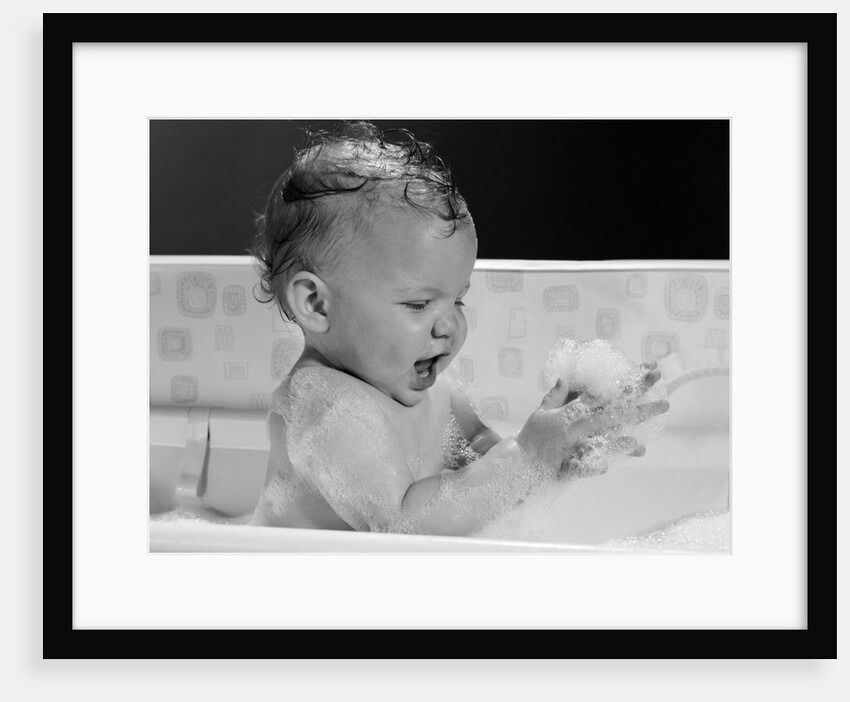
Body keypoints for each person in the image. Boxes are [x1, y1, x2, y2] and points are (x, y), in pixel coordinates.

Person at [249, 121, 667, 536]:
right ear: (316, 303)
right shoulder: (325, 405)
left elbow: (478, 458)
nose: (449, 325)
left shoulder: (433, 386)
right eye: (418, 303)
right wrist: (526, 457)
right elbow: (400, 524)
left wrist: (550, 452)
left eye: (458, 300)